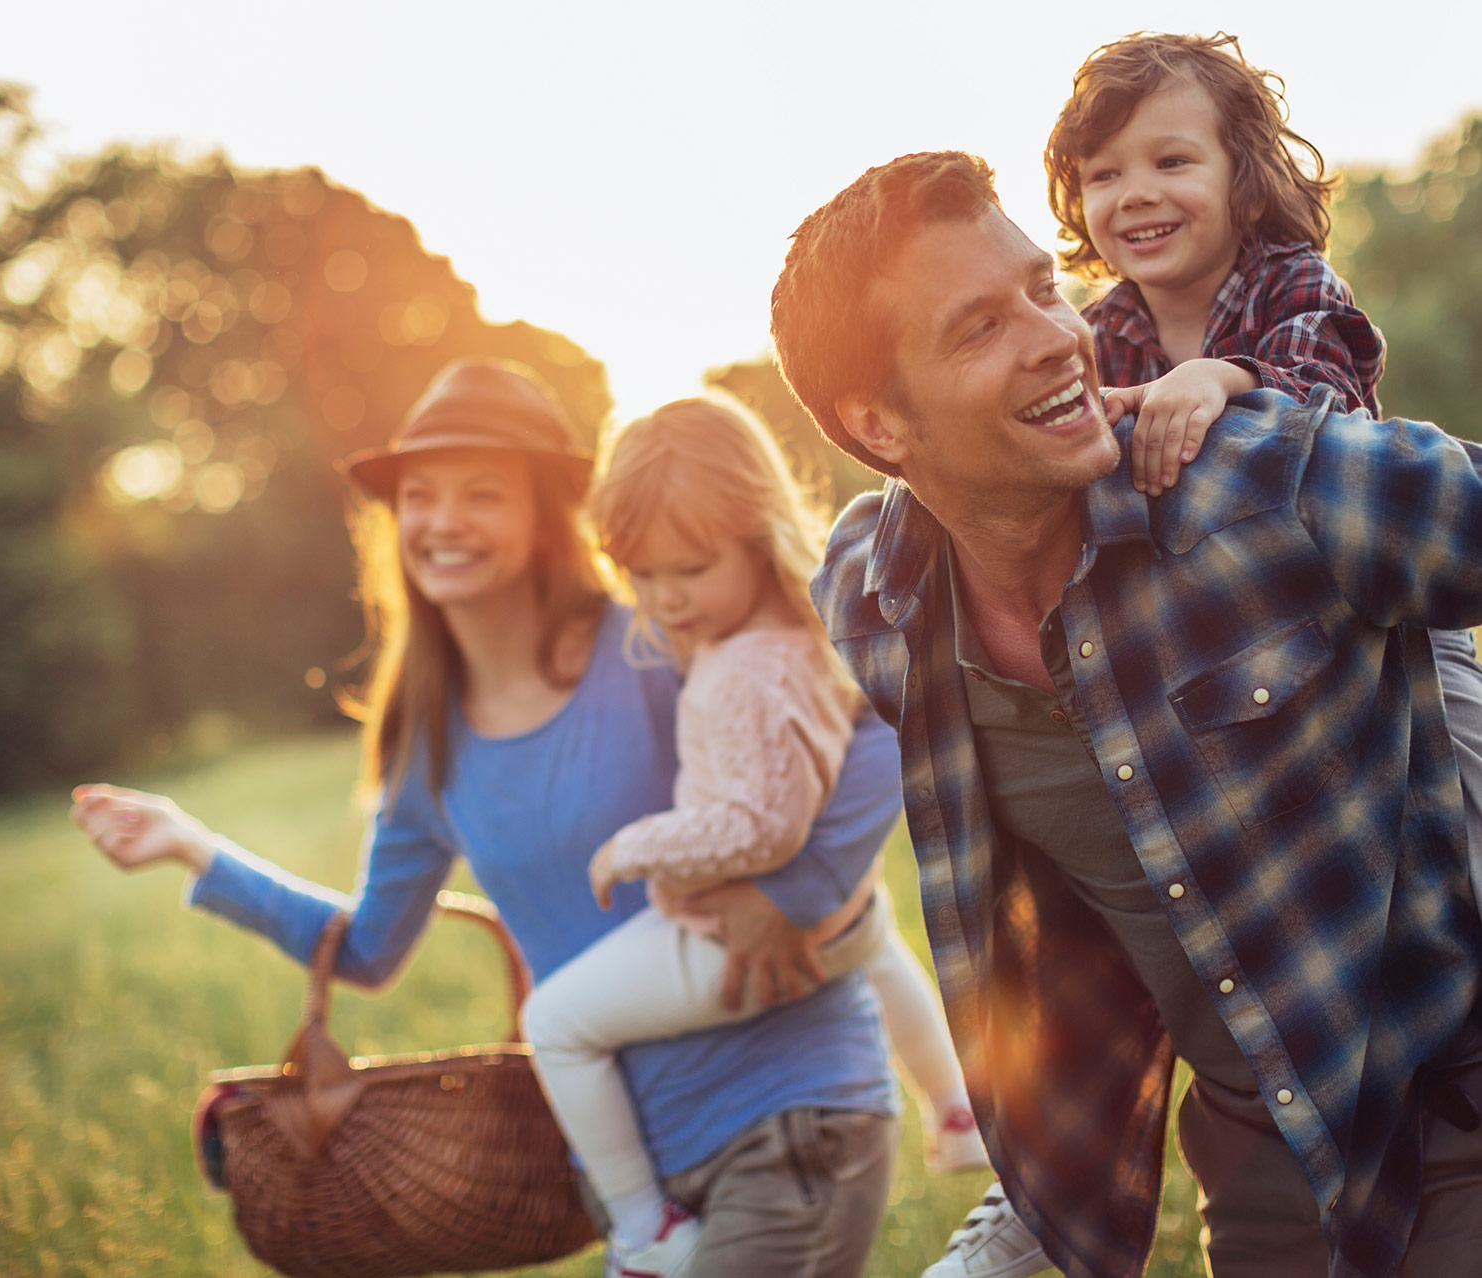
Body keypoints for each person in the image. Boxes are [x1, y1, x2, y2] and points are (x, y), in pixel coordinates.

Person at [769, 150, 1482, 1277]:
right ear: (878, 423)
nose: (1059, 335)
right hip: (1261, 1189)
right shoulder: (875, 603)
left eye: (1042, 288)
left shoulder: (1264, 488)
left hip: (1450, 1130)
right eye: (978, 328)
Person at [69, 358, 903, 1278]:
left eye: (481, 494)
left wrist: (795, 888)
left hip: (785, 1111)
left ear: (548, 515)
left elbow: (871, 729)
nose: (442, 520)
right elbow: (369, 951)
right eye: (420, 495)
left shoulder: (650, 638)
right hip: (635, 1179)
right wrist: (197, 852)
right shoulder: (425, 746)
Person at [520, 396, 988, 1272]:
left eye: (690, 569)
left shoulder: (740, 669)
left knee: (555, 1023)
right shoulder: (809, 632)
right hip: (840, 925)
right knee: (877, 935)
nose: (663, 600)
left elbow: (759, 830)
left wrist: (635, 847)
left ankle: (638, 1226)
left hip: (726, 937)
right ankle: (957, 1107)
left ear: (757, 533)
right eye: (641, 574)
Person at [1044, 31, 1482, 907]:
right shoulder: (1098, 335)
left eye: (1171, 160)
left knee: (1460, 795)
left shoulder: (1292, 284)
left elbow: (1328, 402)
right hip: (1236, 638)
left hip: (1375, 612)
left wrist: (1222, 376)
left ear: (1244, 180)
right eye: (1104, 175)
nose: (1137, 195)